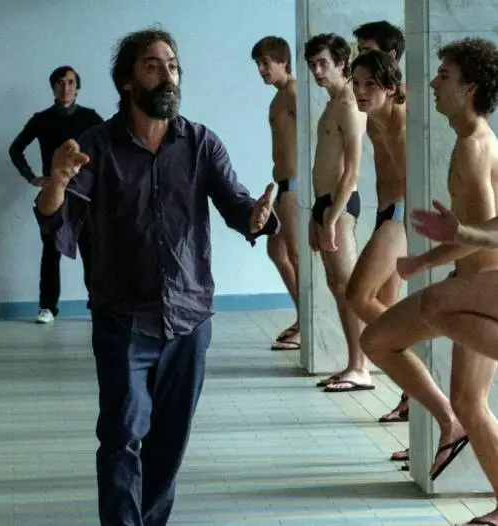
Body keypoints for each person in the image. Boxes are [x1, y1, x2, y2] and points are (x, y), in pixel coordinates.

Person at [35, 27, 278, 526]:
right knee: (122, 436)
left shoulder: (200, 142)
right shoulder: (96, 147)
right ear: (128, 81)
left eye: (172, 66)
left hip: (189, 318)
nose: (167, 75)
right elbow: (57, 220)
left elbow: (236, 203)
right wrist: (56, 181)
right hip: (123, 318)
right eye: (152, 65)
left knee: (169, 441)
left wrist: (257, 217)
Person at [360, 37, 498, 526]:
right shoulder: (469, 141)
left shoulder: (475, 148)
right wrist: (426, 261)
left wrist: (428, 262)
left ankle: (450, 420)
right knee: (468, 402)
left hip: (484, 286)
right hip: (472, 282)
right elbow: (472, 232)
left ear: (469, 89)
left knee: (392, 331)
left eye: (444, 76)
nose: (434, 83)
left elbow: (480, 236)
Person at [352, 19, 411, 427]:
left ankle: (417, 356)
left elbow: (415, 181)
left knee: (360, 296)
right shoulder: (373, 113)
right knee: (386, 309)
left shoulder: (400, 114)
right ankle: (411, 397)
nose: (360, 87)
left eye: (368, 51)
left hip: (401, 215)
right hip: (388, 211)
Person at [10, 65, 103, 323]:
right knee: (51, 250)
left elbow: (108, 148)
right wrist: (31, 177)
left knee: (90, 249)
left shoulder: (90, 118)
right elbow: (15, 149)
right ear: (53, 87)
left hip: (84, 194)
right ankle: (47, 307)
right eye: (60, 82)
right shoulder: (42, 119)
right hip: (54, 194)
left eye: (71, 82)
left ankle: (98, 304)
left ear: (77, 87)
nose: (65, 87)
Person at [304, 33, 369, 392]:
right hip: (325, 204)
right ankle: (352, 363)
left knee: (349, 287)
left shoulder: (348, 104)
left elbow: (352, 171)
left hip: (340, 206)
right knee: (336, 285)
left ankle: (361, 367)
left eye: (323, 63)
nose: (316, 71)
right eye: (312, 64)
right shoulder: (331, 104)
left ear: (342, 63)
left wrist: (330, 218)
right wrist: (318, 214)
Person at [251, 36, 300, 350]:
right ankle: (304, 317)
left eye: (266, 62)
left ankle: (309, 324)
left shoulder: (294, 92)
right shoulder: (277, 99)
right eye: (258, 64)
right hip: (283, 185)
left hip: (296, 185)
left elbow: (313, 137)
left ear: (283, 61)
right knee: (277, 251)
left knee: (296, 255)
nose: (261, 69)